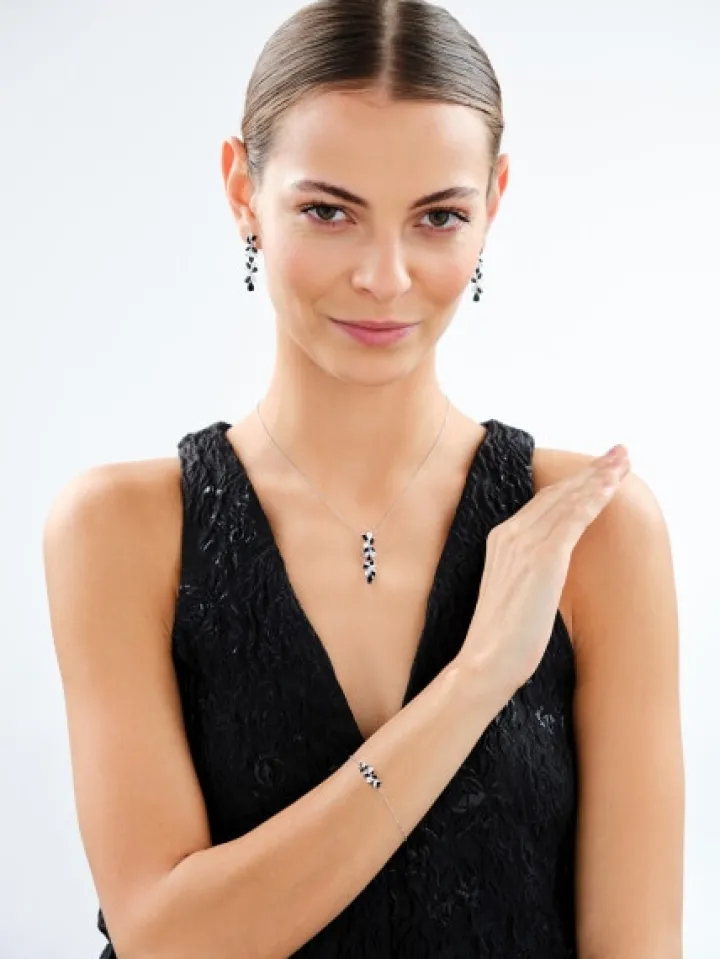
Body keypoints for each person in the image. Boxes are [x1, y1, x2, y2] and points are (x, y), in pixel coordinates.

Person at [43, 1, 685, 956]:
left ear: (494, 203)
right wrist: (476, 679)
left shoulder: (592, 530)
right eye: (328, 211)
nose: (385, 277)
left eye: (439, 216)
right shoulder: (122, 530)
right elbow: (167, 941)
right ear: (241, 190)